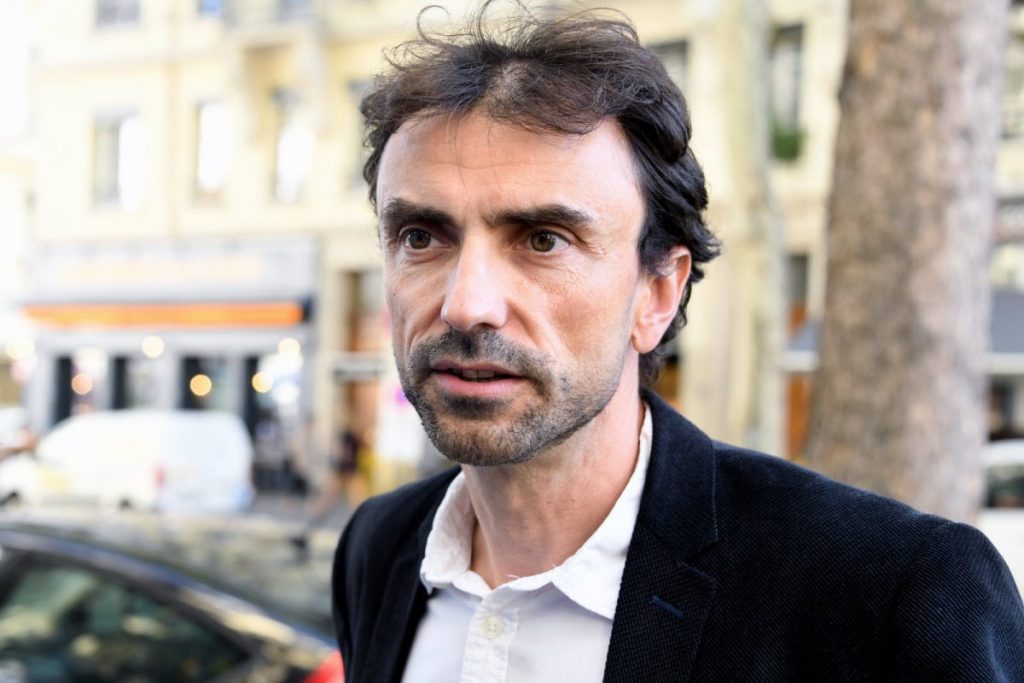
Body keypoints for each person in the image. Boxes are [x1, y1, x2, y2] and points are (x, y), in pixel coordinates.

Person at [331, 3, 1024, 681]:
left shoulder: (890, 596)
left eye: (544, 240)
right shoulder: (378, 547)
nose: (466, 304)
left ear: (658, 293)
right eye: (420, 237)